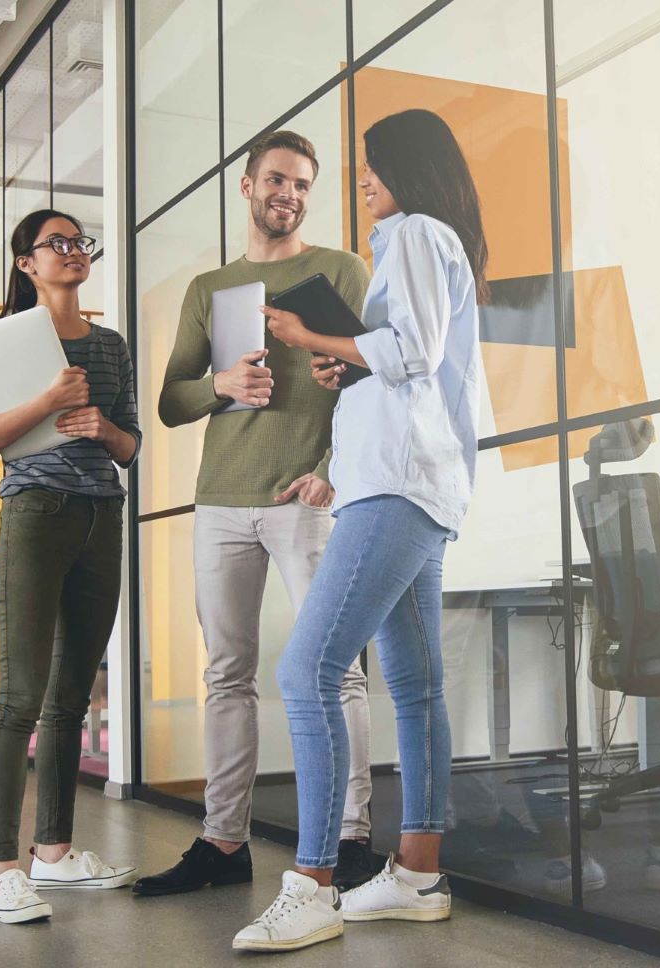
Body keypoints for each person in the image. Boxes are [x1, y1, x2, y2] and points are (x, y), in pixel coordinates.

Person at [233, 109, 489, 952]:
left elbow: (411, 349)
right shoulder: (437, 242)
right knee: (414, 687)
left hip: (399, 487)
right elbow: (408, 361)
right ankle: (417, 873)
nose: (363, 181)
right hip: (420, 481)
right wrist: (349, 358)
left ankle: (311, 882)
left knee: (307, 670)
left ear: (406, 168)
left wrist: (309, 334)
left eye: (370, 166)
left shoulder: (413, 232)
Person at [137, 131, 382, 900]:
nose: (292, 194)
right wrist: (223, 386)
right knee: (226, 676)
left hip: (302, 498)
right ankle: (222, 842)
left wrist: (329, 472)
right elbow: (171, 402)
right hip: (221, 501)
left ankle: (350, 838)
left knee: (335, 672)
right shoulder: (213, 286)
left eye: (304, 184)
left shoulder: (340, 268)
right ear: (247, 187)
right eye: (278, 179)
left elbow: (380, 376)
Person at [0, 210, 143, 925]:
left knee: (72, 698)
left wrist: (104, 427)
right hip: (36, 513)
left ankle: (54, 854)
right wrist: (47, 401)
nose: (73, 252)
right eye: (56, 244)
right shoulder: (0, 345)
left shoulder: (111, 346)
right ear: (26, 263)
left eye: (79, 242)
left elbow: (130, 447)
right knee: (21, 697)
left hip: (102, 517)